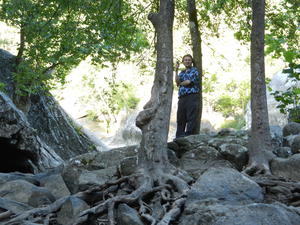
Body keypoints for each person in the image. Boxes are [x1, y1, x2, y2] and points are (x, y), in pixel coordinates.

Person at [175, 54, 200, 138]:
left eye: (189, 60)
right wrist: (176, 70)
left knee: (191, 116)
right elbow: (177, 82)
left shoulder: (194, 70)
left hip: (192, 96)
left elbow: (188, 82)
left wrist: (180, 84)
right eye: (185, 60)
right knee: (180, 117)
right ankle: (179, 136)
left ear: (191, 61)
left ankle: (188, 136)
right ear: (183, 62)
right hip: (182, 97)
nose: (187, 61)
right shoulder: (182, 72)